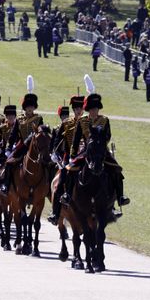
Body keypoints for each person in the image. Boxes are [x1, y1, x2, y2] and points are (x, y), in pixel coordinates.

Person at [68, 93, 130, 217]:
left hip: (102, 151)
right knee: (69, 170)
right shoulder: (82, 121)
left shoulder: (105, 120)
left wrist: (100, 145)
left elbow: (108, 136)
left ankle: (120, 197)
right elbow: (76, 139)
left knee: (117, 170)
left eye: (96, 109)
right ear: (88, 109)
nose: (94, 111)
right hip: (86, 151)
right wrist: (73, 155)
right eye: (92, 109)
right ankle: (68, 195)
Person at [48, 95, 84, 224]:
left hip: (86, 157)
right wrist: (56, 154)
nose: (79, 111)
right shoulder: (66, 123)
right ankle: (55, 213)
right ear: (73, 110)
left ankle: (112, 206)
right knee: (59, 183)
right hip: (69, 157)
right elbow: (58, 141)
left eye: (81, 108)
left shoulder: (88, 122)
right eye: (76, 109)